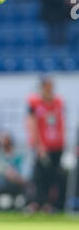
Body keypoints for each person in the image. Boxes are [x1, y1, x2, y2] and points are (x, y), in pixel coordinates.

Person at [26, 75, 66, 212]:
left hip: (57, 145)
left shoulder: (58, 102)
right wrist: (37, 144)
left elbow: (61, 123)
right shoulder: (35, 102)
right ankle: (36, 202)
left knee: (54, 175)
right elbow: (32, 123)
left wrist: (63, 140)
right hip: (43, 146)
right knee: (39, 175)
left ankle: (50, 204)